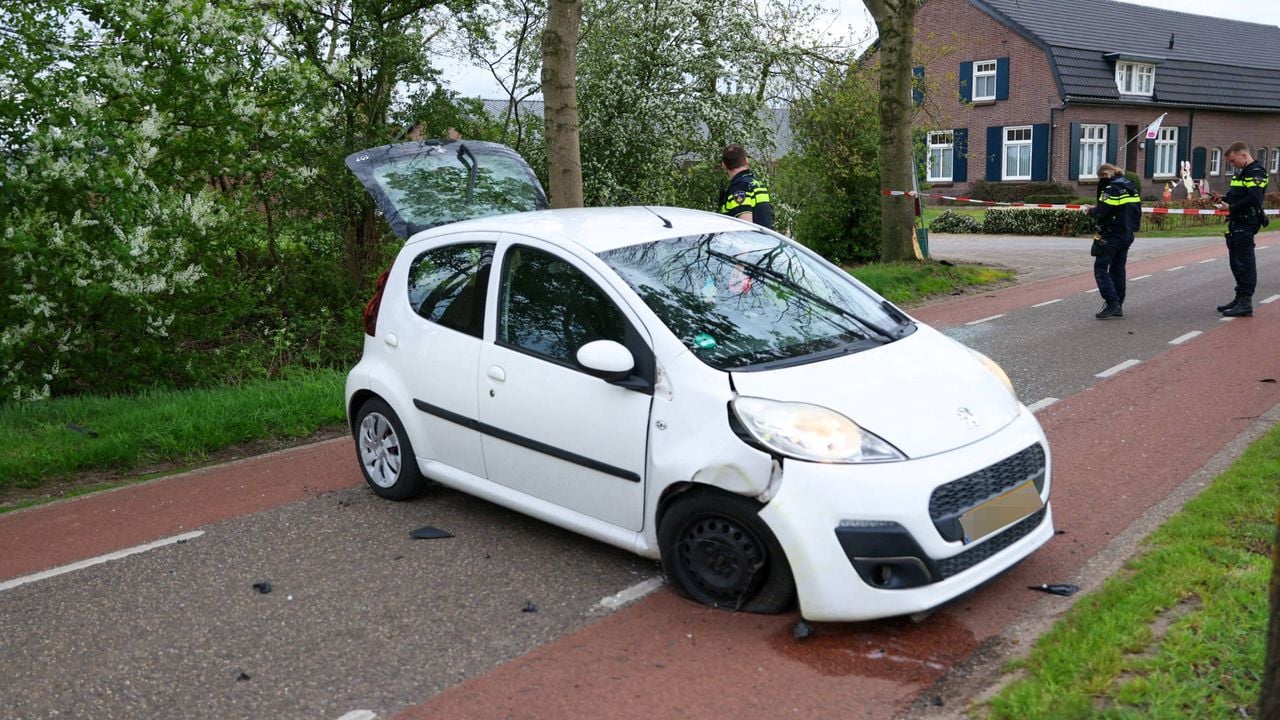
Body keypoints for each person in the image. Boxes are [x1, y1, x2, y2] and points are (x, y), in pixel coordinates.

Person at [1214, 142, 1269, 317]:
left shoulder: (1255, 172)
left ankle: (1246, 302)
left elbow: (1254, 198)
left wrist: (1230, 208)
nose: (1232, 164)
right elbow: (1236, 195)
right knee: (1235, 262)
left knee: (1245, 263)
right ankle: (1239, 297)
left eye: (1233, 160)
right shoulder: (1242, 173)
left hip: (1246, 222)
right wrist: (1222, 199)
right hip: (1237, 222)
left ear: (1243, 155)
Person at [1087, 163, 1141, 319]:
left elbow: (1102, 211)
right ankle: (1119, 304)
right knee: (1118, 268)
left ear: (1105, 175)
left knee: (1101, 267)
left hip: (1113, 234)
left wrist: (1090, 210)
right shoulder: (1130, 186)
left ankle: (1112, 302)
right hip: (1127, 233)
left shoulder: (1111, 188)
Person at [717, 144, 773, 229]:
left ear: (724, 165)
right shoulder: (756, 183)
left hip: (751, 241)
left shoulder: (739, 187)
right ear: (746, 161)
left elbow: (746, 225)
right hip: (765, 239)